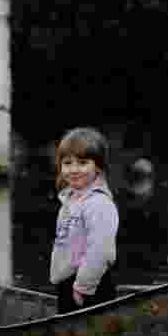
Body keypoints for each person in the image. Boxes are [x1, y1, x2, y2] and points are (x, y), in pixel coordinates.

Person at [50, 127, 119, 313]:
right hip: (69, 283)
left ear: (98, 166)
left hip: (91, 287)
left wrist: (83, 287)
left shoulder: (98, 203)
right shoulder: (70, 199)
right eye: (67, 163)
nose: (74, 170)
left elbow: (100, 250)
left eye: (82, 163)